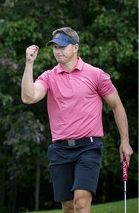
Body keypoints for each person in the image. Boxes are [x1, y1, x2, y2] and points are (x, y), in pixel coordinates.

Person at [21, 27, 133, 213]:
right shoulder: (49, 77)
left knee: (81, 203)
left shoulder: (95, 74)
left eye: (62, 47)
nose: (58, 51)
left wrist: (125, 141)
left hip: (88, 148)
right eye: (55, 47)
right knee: (69, 207)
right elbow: (28, 97)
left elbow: (117, 105)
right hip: (60, 150)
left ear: (75, 47)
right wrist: (29, 63)